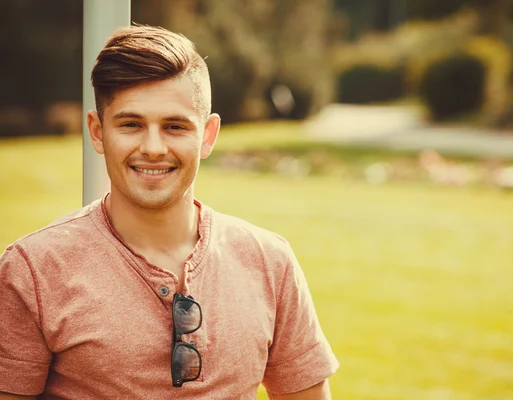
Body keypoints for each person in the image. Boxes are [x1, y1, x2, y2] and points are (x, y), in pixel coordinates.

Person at [0, 25, 338, 399]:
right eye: (131, 124)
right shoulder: (33, 270)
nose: (154, 147)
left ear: (208, 135)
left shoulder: (270, 261)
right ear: (97, 132)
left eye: (175, 126)